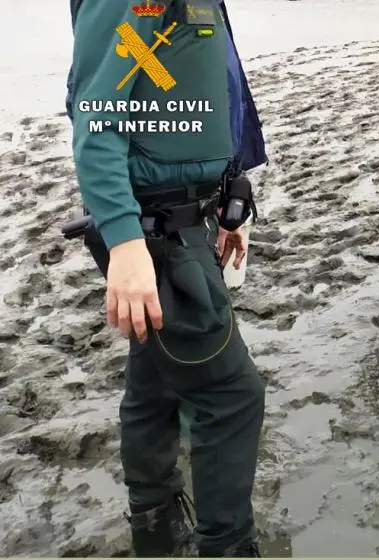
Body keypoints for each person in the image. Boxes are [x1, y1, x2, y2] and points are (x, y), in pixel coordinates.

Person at [66, 0, 267, 555]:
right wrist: (127, 244)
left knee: (155, 384)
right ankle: (228, 546)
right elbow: (97, 116)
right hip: (156, 231)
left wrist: (231, 201)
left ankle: (154, 526)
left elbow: (203, 91)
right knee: (232, 396)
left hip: (189, 216)